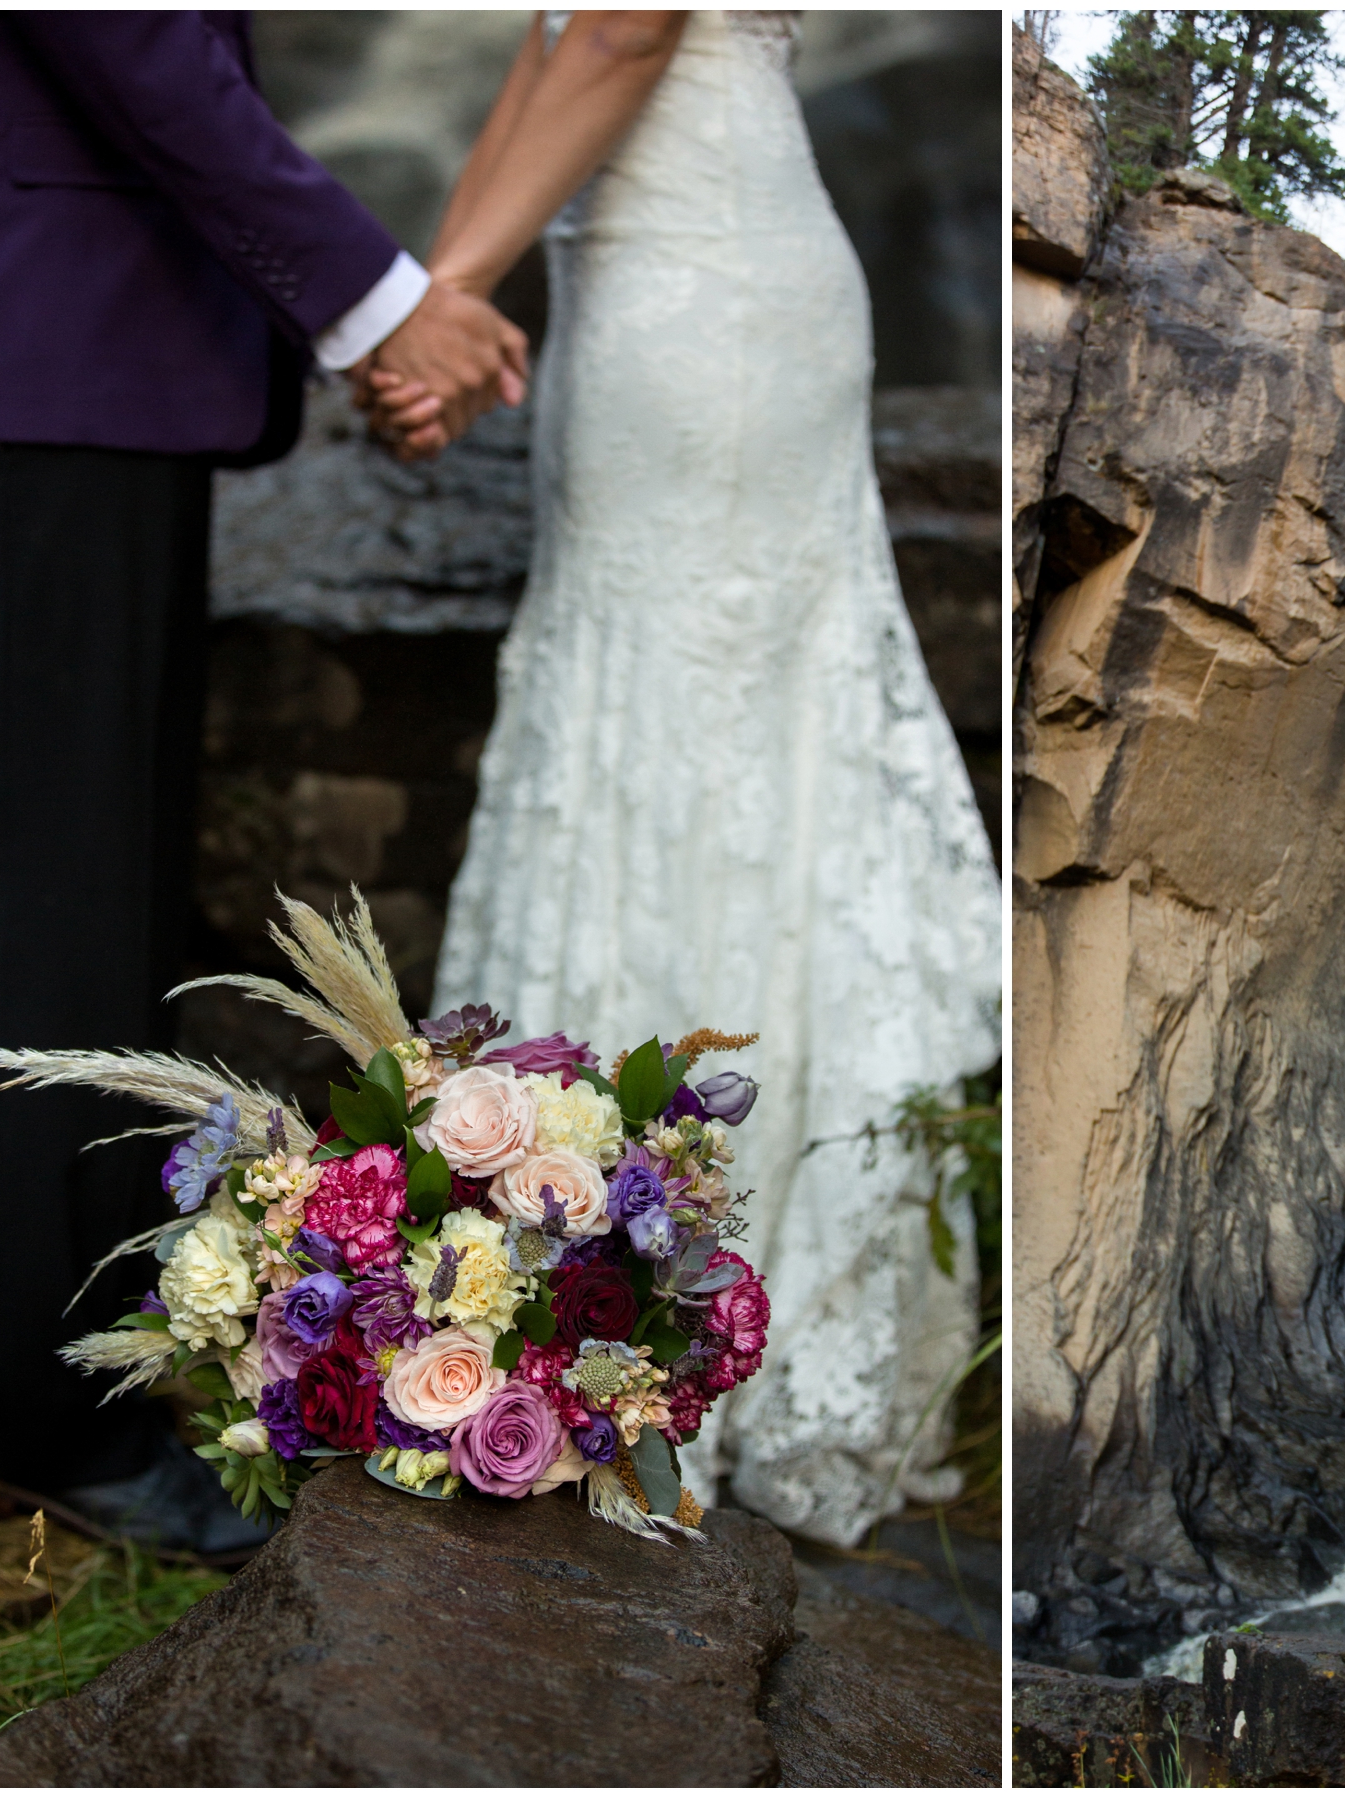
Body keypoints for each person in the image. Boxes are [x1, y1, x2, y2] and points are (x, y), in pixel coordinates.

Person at [0, 10, 528, 1558]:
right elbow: (133, 39)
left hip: (52, 362)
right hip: (33, 362)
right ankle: (25, 1419)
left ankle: (83, 1375)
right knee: (53, 910)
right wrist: (377, 304)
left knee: (98, 898)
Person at [359, 10, 1001, 1545]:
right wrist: (431, 307)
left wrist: (435, 299)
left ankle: (683, 1304)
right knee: (620, 712)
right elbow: (551, 47)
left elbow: (630, 29)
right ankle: (560, 1260)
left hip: (708, 284)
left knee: (704, 741)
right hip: (638, 278)